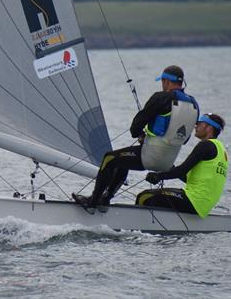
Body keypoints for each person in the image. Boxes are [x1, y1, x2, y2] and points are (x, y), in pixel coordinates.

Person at [73, 65, 199, 213]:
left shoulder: (161, 97)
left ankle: (93, 202)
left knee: (109, 159)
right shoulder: (193, 104)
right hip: (169, 160)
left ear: (166, 81)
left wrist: (139, 134)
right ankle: (105, 199)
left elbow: (137, 124)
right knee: (122, 161)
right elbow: (185, 138)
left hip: (150, 155)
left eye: (163, 81)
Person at [135, 113, 227, 218]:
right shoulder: (221, 149)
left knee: (144, 197)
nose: (195, 126)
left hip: (193, 200)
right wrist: (168, 166)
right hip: (203, 205)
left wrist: (158, 176)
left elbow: (182, 170)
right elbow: (187, 177)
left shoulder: (206, 145)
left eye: (199, 124)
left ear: (209, 128)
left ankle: (136, 228)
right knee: (156, 198)